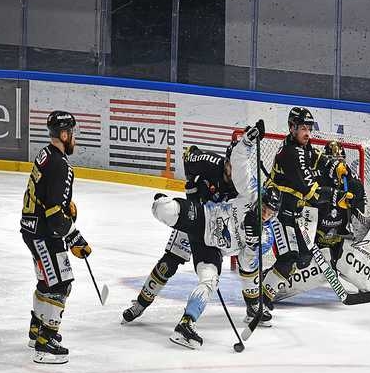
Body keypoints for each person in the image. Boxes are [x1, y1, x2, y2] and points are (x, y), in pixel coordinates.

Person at [149, 121, 281, 349]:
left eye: (271, 213)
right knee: (164, 209)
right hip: (204, 218)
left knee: (209, 280)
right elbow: (239, 161)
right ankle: (161, 201)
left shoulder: (266, 236)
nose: (266, 214)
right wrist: (248, 140)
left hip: (212, 248)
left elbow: (247, 267)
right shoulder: (250, 192)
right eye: (266, 208)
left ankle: (186, 324)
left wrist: (251, 242)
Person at [270, 140, 370, 302]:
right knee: (306, 264)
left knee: (349, 260)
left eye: (341, 160)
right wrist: (308, 247)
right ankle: (270, 287)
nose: (337, 164)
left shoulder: (354, 185)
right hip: (315, 245)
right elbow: (303, 217)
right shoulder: (313, 184)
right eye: (334, 161)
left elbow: (360, 224)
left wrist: (358, 222)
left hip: (339, 242)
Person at [121, 144, 238, 324]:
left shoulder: (243, 185)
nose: (235, 170)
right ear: (227, 161)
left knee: (209, 273)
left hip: (213, 230)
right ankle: (140, 304)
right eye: (232, 164)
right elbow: (189, 153)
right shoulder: (211, 162)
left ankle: (253, 304)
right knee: (167, 264)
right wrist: (192, 183)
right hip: (193, 217)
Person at [259, 107, 355, 306]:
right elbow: (313, 194)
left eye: (309, 128)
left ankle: (265, 284)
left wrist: (335, 166)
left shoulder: (301, 146)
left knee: (302, 258)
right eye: (303, 128)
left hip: (291, 213)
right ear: (291, 127)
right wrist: (337, 195)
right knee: (289, 258)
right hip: (274, 213)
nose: (307, 133)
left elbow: (316, 158)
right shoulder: (291, 154)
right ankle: (260, 300)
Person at [20, 111, 92, 364]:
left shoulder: (46, 154)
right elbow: (54, 217)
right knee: (61, 284)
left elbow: (48, 197)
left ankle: (36, 330)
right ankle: (45, 343)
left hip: (31, 228)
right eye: (72, 133)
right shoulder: (62, 165)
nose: (74, 138)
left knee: (46, 281)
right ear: (63, 134)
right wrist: (75, 237)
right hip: (44, 233)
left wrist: (64, 208)